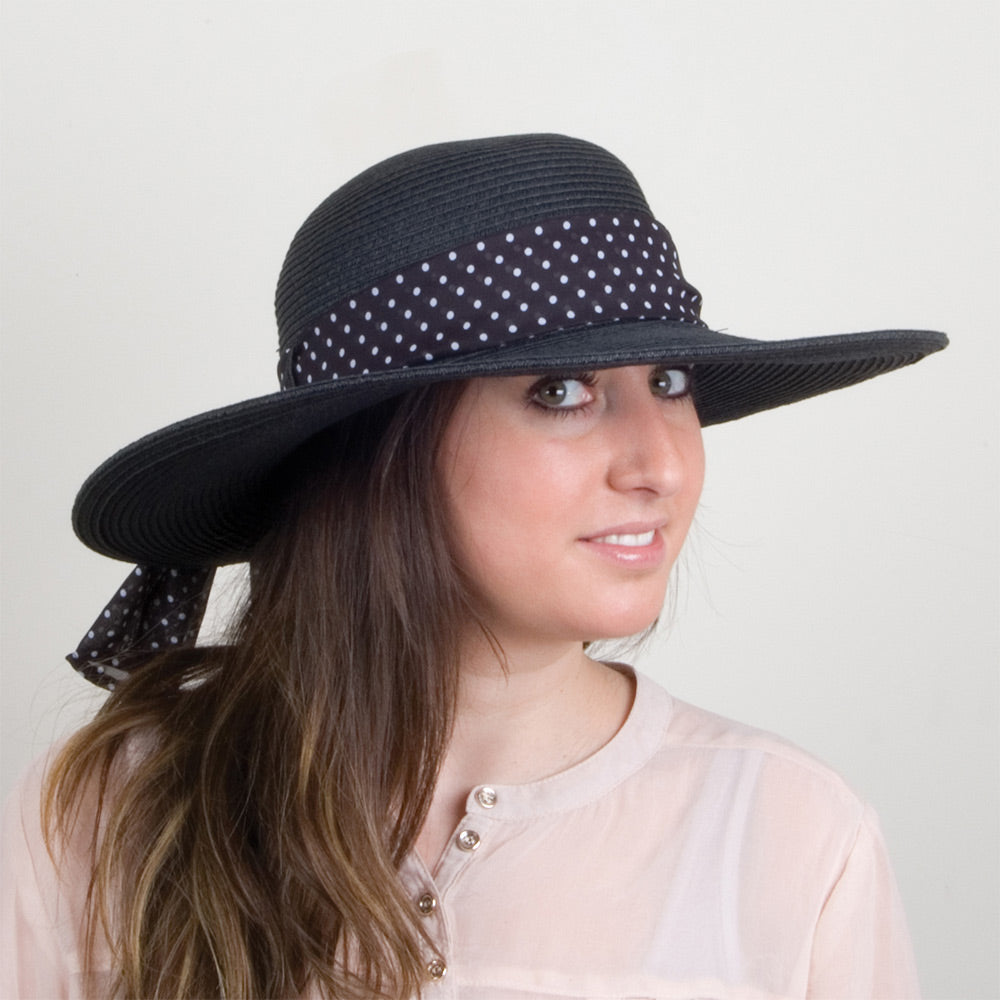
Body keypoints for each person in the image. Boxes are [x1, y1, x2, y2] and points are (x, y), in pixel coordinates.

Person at [1, 133, 946, 999]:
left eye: (670, 383)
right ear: (380, 452)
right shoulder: (108, 813)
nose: (660, 464)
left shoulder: (785, 837)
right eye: (563, 392)